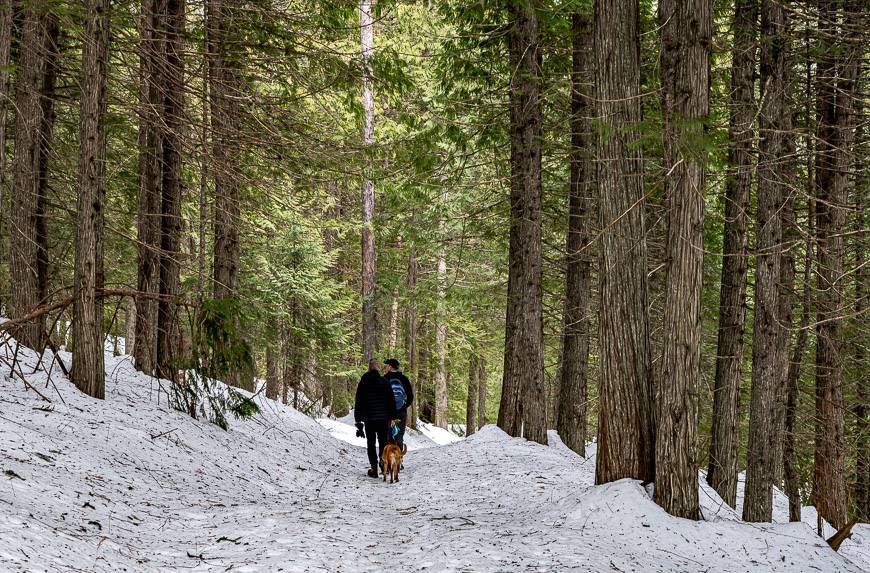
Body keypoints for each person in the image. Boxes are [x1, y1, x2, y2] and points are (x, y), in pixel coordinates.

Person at [354, 358, 397, 478]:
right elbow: (391, 401)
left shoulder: (364, 381)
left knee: (371, 443)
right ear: (378, 368)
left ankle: (374, 468)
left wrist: (358, 419)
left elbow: (359, 400)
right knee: (383, 441)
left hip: (369, 418)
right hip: (384, 419)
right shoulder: (384, 381)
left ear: (369, 367)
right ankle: (383, 462)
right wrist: (392, 416)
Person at [383, 358, 413, 450]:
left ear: (390, 366)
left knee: (386, 436)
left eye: (387, 365)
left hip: (387, 413)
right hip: (401, 412)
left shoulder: (384, 379)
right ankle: (398, 460)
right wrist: (404, 406)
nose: (386, 367)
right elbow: (410, 396)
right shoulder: (404, 379)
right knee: (399, 436)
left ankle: (385, 460)